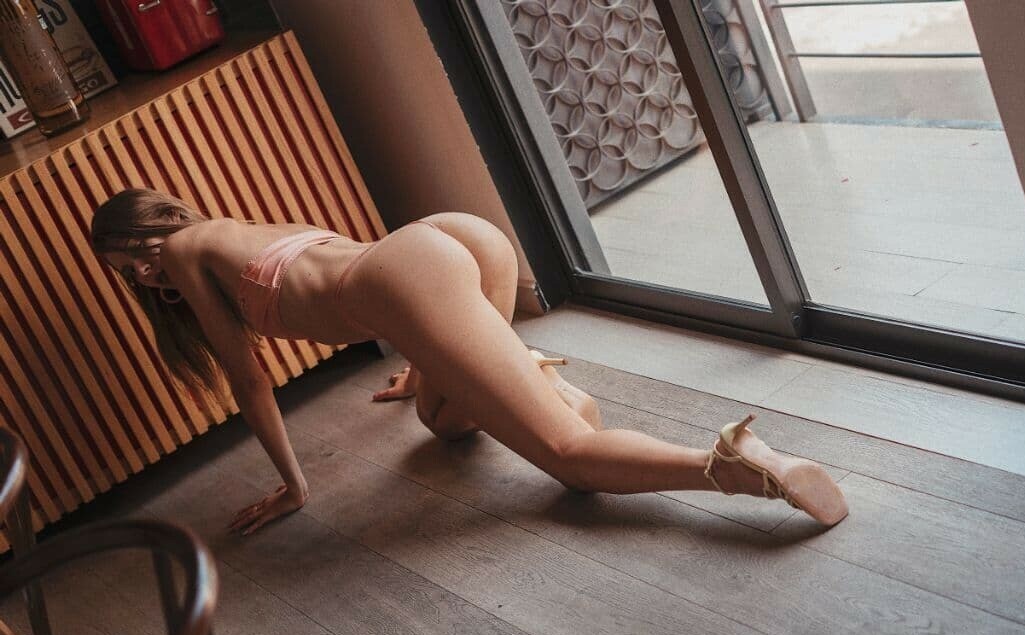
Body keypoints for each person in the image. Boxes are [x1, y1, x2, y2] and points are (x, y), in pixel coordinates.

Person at [91, 189, 848, 534]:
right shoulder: (233, 231)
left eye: (131, 259)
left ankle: (733, 464)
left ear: (152, 228)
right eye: (128, 276)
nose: (142, 276)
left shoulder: (186, 249)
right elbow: (340, 287)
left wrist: (293, 484)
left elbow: (248, 377)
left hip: (405, 274)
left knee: (570, 459)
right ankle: (529, 373)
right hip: (446, 240)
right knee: (442, 421)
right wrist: (423, 365)